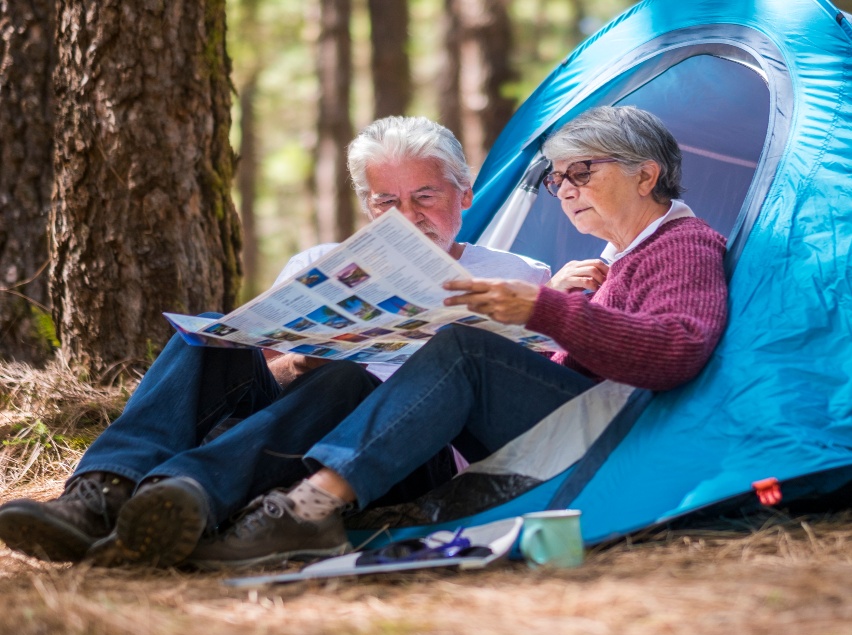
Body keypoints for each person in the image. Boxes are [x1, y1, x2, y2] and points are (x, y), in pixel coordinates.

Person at [184, 105, 731, 569]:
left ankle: (309, 508)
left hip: (613, 441)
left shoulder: (681, 244)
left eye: (582, 171)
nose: (565, 190)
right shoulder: (619, 256)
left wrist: (546, 310)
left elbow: (677, 350)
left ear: (646, 175)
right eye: (557, 178)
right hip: (576, 429)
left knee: (462, 346)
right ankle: (229, 497)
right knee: (429, 351)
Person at [0, 116, 549, 567]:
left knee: (350, 379)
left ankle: (183, 493)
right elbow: (262, 378)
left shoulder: (519, 275)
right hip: (287, 432)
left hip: (394, 458)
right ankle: (102, 493)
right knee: (210, 337)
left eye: (425, 196)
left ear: (466, 193)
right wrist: (298, 360)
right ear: (367, 205)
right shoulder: (318, 264)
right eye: (386, 201)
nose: (408, 216)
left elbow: (513, 395)